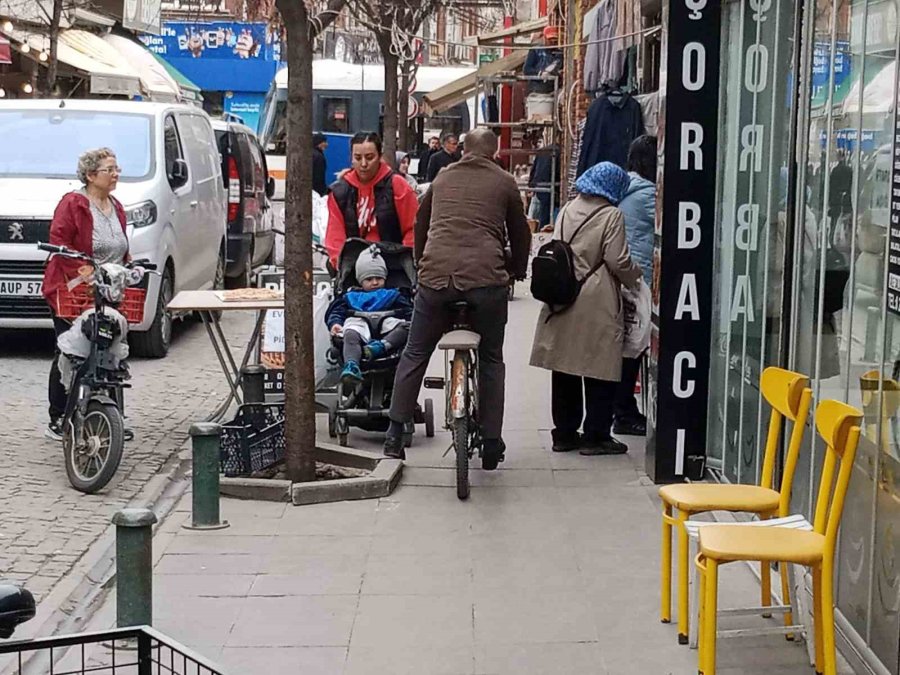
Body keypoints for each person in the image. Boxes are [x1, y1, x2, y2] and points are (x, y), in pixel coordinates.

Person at [384, 128, 531, 462]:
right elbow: (519, 233)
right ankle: (492, 441)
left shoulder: (442, 178)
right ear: (495, 152)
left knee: (416, 351)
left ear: (463, 150)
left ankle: (394, 433)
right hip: (486, 282)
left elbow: (422, 225)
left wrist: (422, 265)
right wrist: (517, 269)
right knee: (492, 357)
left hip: (436, 280)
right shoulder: (505, 181)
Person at [530, 161, 641, 455]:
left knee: (564, 367)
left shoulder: (568, 208)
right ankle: (596, 435)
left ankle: (564, 434)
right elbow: (617, 259)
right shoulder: (611, 215)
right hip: (596, 298)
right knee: (599, 367)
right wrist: (637, 278)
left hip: (563, 293)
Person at [42, 148, 130, 441]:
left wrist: (125, 270)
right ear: (91, 175)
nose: (116, 174)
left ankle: (110, 416)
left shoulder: (116, 206)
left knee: (108, 349)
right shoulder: (74, 204)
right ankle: (58, 415)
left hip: (107, 290)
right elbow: (60, 243)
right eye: (110, 169)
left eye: (117, 168)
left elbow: (120, 247)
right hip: (72, 291)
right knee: (70, 350)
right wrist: (86, 275)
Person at [613, 135, 656, 436]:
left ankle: (624, 410)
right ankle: (625, 413)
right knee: (634, 348)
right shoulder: (649, 194)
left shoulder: (627, 187)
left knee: (629, 348)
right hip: (640, 279)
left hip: (626, 276)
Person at [325, 132, 418, 267]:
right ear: (351, 158)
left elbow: (413, 228)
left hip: (393, 265)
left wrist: (405, 261)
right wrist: (341, 265)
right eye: (358, 158)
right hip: (353, 265)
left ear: (380, 157)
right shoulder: (340, 191)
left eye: (369, 157)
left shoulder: (398, 185)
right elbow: (335, 237)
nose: (363, 164)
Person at [325, 245, 413, 385]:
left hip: (387, 326)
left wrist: (412, 320)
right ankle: (352, 365)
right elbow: (336, 311)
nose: (375, 282)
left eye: (379, 278)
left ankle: (379, 347)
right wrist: (335, 324)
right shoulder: (350, 296)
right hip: (359, 324)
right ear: (360, 280)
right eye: (369, 279)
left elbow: (409, 311)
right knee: (350, 333)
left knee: (406, 327)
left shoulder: (394, 294)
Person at [312, 133, 329, 197]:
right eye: (324, 142)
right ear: (319, 143)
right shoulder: (319, 157)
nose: (327, 144)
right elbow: (319, 178)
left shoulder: (311, 154)